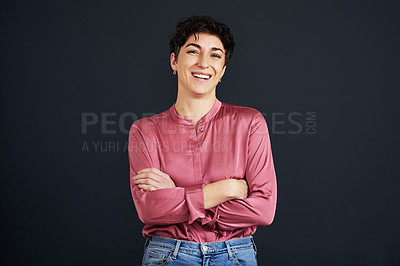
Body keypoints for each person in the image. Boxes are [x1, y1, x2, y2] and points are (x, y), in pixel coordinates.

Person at [128, 15, 277, 265]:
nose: (203, 63)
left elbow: (263, 210)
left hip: (235, 255)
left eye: (215, 55)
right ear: (174, 61)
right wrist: (226, 190)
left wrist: (177, 195)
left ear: (222, 71)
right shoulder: (144, 131)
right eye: (193, 51)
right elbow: (149, 210)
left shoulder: (250, 123)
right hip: (168, 255)